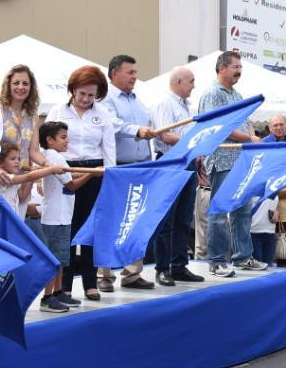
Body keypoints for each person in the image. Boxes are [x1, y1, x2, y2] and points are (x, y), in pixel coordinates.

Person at [48, 66, 116, 300]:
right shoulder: (57, 111)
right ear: (72, 90)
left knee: (90, 228)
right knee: (66, 227)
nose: (86, 99)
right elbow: (46, 146)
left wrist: (109, 177)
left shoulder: (103, 114)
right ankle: (64, 284)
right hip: (65, 170)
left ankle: (90, 281)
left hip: (94, 171)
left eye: (91, 95)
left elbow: (109, 150)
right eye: (82, 94)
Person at [201, 51, 264, 277]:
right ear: (222, 68)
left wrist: (252, 137)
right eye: (235, 67)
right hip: (221, 159)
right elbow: (220, 128)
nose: (239, 71)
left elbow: (246, 121)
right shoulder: (212, 94)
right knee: (219, 212)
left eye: (240, 67)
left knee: (242, 209)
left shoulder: (236, 95)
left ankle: (243, 257)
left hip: (240, 159)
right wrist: (249, 139)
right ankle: (217, 260)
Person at [101, 54, 156, 291]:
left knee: (137, 219)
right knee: (111, 220)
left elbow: (148, 128)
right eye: (130, 72)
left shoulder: (138, 101)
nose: (135, 77)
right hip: (118, 167)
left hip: (140, 165)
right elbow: (110, 123)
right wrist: (137, 130)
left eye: (135, 72)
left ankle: (132, 273)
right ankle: (103, 275)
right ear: (114, 73)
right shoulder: (105, 99)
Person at [151, 66, 204, 286]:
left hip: (187, 162)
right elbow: (165, 135)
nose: (193, 85)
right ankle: (162, 268)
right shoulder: (165, 103)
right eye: (191, 81)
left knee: (183, 218)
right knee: (166, 220)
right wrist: (192, 143)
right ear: (178, 82)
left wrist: (196, 151)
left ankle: (179, 266)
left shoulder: (187, 107)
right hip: (170, 162)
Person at [37, 121, 90, 312]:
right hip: (54, 218)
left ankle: (58, 292)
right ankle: (47, 297)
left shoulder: (58, 157)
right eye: (63, 137)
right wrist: (92, 176)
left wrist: (87, 172)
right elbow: (71, 185)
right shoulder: (52, 157)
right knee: (54, 260)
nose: (67, 141)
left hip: (63, 216)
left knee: (61, 259)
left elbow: (70, 176)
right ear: (50, 140)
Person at [0, 64, 44, 169]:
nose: (21, 87)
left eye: (25, 83)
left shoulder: (32, 116)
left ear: (31, 87)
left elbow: (34, 152)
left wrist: (49, 165)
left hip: (23, 177)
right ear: (8, 85)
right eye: (16, 83)